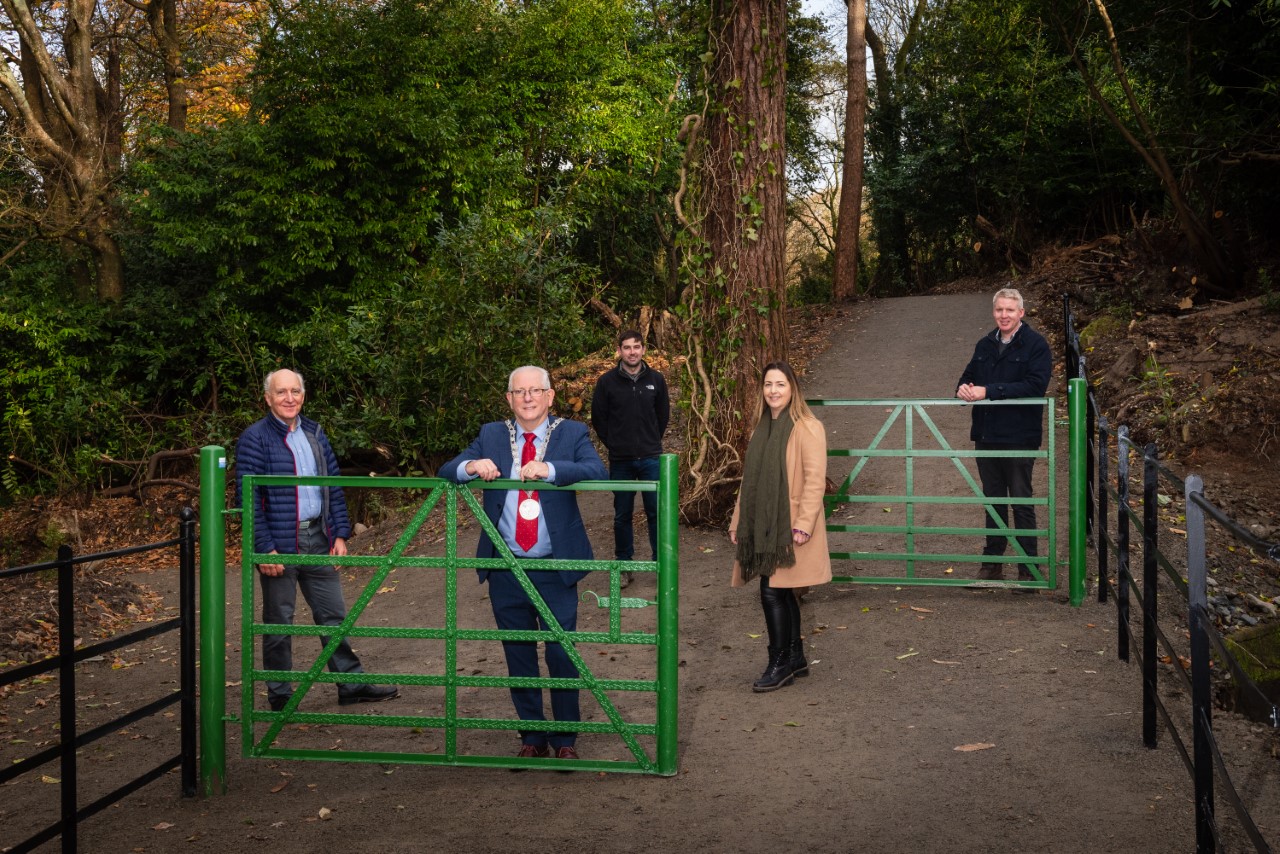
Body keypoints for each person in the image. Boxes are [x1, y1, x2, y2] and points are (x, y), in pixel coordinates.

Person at [440, 366, 607, 761]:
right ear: (509, 399)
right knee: (518, 654)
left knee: (560, 654)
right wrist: (471, 468)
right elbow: (448, 468)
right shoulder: (492, 434)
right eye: (520, 392)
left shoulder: (571, 432)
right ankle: (531, 735)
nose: (528, 398)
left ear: (550, 397)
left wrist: (551, 470)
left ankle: (565, 739)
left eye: (536, 391)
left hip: (554, 566)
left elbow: (597, 470)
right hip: (506, 566)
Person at [235, 369, 399, 712]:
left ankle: (351, 685)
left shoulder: (314, 433)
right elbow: (247, 499)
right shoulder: (255, 438)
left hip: (318, 537)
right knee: (279, 622)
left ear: (303, 396)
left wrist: (340, 533)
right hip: (279, 542)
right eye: (281, 392)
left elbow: (332, 487)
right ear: (267, 398)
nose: (289, 398)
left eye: (295, 391)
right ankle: (281, 695)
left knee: (333, 615)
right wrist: (263, 547)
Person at [729, 362, 832, 692]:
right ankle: (796, 657)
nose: (773, 390)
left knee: (771, 591)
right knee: (783, 592)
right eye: (768, 384)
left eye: (781, 384)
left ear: (793, 389)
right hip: (764, 524)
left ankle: (779, 663)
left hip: (790, 527)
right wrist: (737, 521)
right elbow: (750, 482)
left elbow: (816, 482)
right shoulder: (763, 428)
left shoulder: (807, 426)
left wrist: (804, 524)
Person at [955, 287, 1053, 582]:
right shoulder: (985, 344)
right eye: (999, 310)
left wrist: (989, 391)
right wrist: (963, 389)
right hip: (986, 434)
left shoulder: (1036, 345)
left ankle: (1029, 571)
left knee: (1022, 501)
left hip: (1019, 436)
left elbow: (1035, 386)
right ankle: (991, 565)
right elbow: (967, 376)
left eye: (1010, 310)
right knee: (993, 501)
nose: (1004, 315)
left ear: (1021, 312)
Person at [591, 330, 670, 585]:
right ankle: (625, 565)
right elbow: (599, 419)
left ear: (644, 349)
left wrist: (649, 441)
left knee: (656, 513)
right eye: (627, 347)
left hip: (650, 458)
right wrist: (615, 444)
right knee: (621, 515)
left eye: (637, 347)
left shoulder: (656, 380)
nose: (632, 352)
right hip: (621, 461)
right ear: (619, 351)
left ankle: (661, 565)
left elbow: (662, 416)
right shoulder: (607, 382)